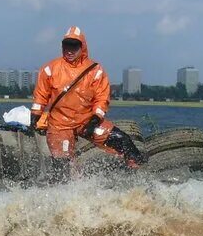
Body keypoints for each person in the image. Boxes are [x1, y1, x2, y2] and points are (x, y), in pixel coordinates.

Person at [30, 27, 145, 180]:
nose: (69, 50)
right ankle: (63, 192)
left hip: (86, 121)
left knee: (123, 141)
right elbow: (40, 96)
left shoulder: (95, 71)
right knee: (62, 166)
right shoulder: (50, 69)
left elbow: (102, 98)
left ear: (82, 47)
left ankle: (138, 178)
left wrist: (95, 119)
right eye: (67, 46)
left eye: (74, 46)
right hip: (60, 125)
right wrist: (35, 116)